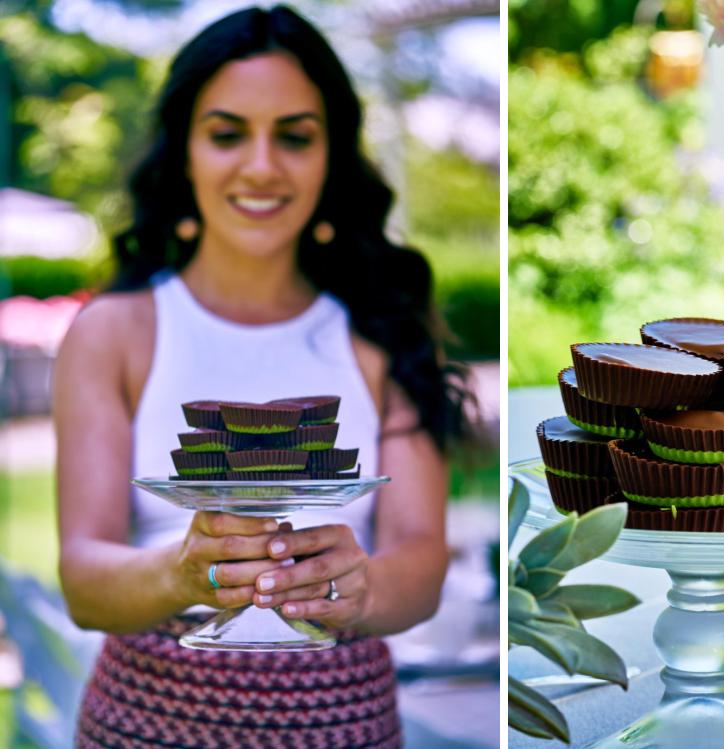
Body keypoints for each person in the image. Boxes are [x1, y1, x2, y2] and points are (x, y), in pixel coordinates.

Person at [53, 6, 469, 747]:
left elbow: (423, 560)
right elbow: (84, 576)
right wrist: (183, 573)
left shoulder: (382, 331)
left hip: (343, 723)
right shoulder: (114, 333)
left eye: (296, 136)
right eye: (227, 133)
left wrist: (361, 585)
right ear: (183, 151)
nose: (262, 166)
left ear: (332, 154)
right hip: (147, 723)